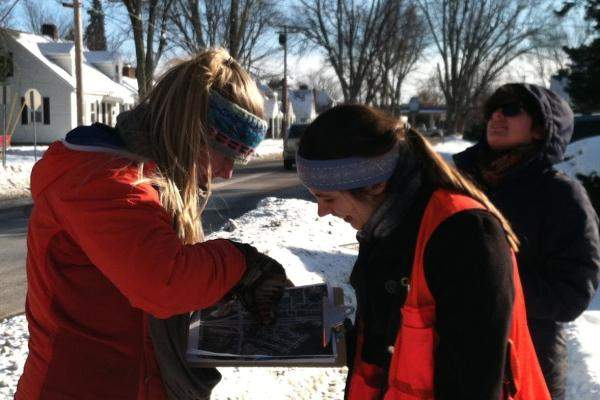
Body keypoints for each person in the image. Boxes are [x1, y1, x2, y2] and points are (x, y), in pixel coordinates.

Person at [16, 49, 289, 400]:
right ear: (190, 133)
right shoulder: (103, 181)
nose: (228, 172)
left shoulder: (150, 180)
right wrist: (239, 262)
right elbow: (164, 282)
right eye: (227, 154)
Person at [296, 104, 551, 400]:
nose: (322, 211)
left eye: (327, 198)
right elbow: (391, 349)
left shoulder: (465, 236)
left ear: (377, 184)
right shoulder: (386, 227)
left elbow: (474, 383)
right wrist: (324, 336)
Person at [453, 83, 600, 400]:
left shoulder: (561, 196)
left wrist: (496, 287)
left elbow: (572, 293)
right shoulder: (461, 185)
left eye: (511, 110)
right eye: (493, 109)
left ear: (541, 129)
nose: (496, 117)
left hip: (527, 361)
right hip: (456, 354)